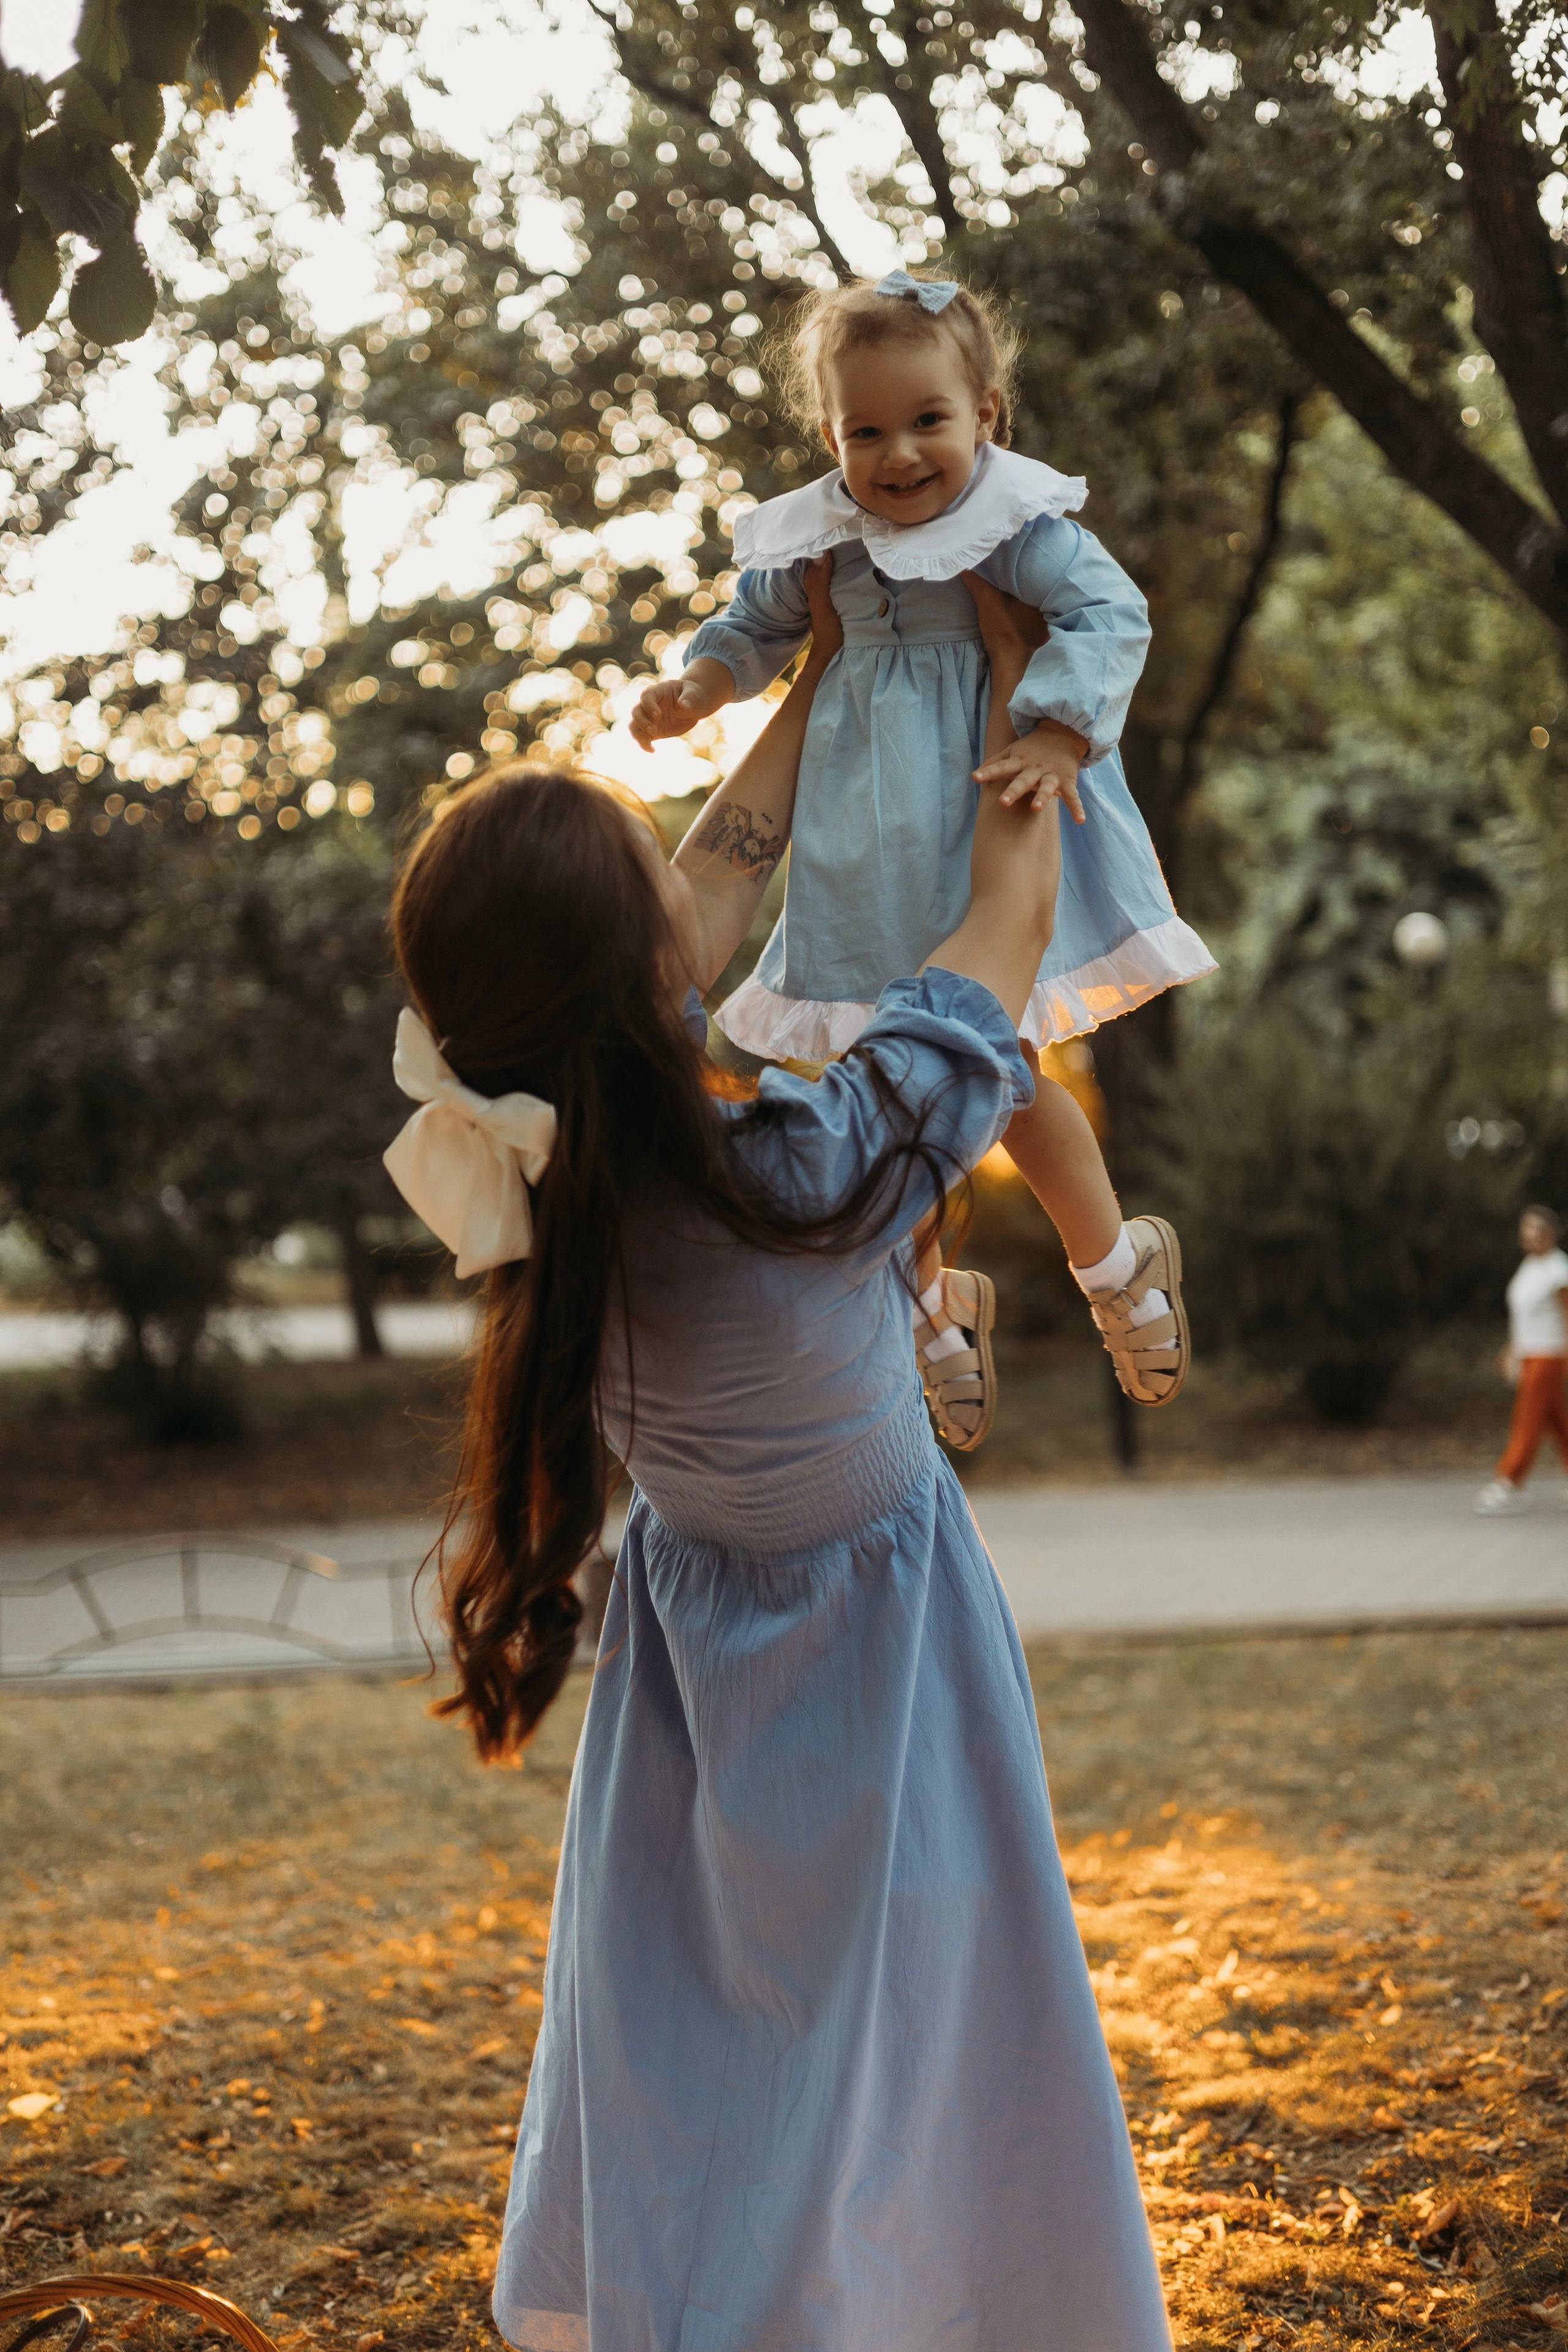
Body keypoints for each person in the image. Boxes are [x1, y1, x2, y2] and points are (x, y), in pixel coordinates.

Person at [381, 568, 1172, 2352]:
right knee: (905, 2016)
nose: (694, 879)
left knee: (707, 2028)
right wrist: (1016, 710)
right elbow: (1004, 922)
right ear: (648, 968)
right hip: (876, 1636)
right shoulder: (816, 1165)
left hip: (692, 1637)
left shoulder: (544, 1187)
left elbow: (715, 879)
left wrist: (820, 667)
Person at [630, 268, 1208, 1442]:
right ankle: (931, 1309)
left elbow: (1111, 617)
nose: (899, 455)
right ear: (831, 437)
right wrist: (701, 686)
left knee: (1009, 1075)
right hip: (859, 854)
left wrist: (1057, 731)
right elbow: (754, 625)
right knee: (874, 1091)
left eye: (928, 420)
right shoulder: (821, 540)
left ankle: (1114, 1265)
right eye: (866, 431)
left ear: (985, 414)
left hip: (982, 811)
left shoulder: (1015, 526)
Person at [1475, 1204, 1568, 1514]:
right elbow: (1522, 1315)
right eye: (1526, 1228)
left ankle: (1509, 1482)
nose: (1530, 1235)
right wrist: (1513, 1350)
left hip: (1550, 1354)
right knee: (1557, 1420)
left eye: (1537, 1229)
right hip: (1528, 1352)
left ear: (1552, 1233)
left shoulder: (1559, 1269)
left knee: (1528, 1418)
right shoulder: (1529, 1266)